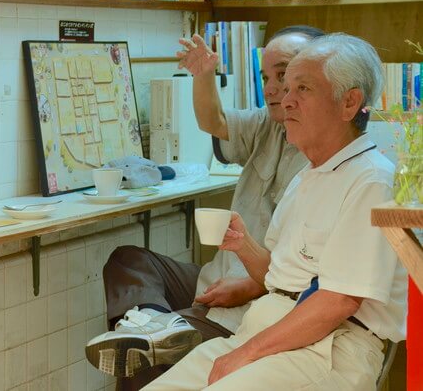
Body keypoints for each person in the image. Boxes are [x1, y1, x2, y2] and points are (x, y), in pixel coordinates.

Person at [142, 33, 407, 391]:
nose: (286, 99)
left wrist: (245, 354)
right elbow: (280, 276)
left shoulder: (372, 181)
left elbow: (338, 301)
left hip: (328, 347)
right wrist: (243, 245)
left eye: (303, 89)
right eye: (286, 87)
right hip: (268, 331)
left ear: (349, 102)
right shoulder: (309, 174)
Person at [85, 26, 324, 387]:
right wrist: (203, 75)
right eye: (267, 78)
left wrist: (251, 287)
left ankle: (156, 339)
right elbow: (215, 121)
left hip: (254, 308)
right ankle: (156, 329)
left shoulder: (332, 163)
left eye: (286, 76)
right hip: (216, 280)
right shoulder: (267, 124)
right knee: (129, 261)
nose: (274, 89)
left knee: (145, 361)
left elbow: (316, 282)